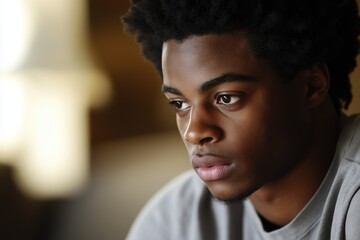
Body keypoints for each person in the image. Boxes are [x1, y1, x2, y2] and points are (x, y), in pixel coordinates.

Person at [122, 0, 360, 239]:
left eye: (226, 98)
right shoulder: (175, 221)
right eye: (179, 104)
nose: (193, 132)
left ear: (311, 86)